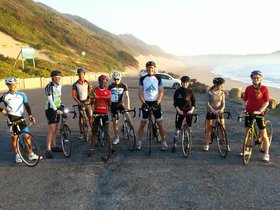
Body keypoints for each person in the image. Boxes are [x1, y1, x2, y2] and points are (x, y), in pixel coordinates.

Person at [0, 77, 39, 163]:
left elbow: (27, 105)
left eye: (15, 84)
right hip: (11, 119)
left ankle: (30, 154)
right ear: (8, 85)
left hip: (21, 118)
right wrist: (2, 110)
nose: (13, 86)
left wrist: (31, 115)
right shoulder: (5, 96)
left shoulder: (22, 94)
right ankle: (17, 155)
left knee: (27, 136)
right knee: (15, 138)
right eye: (11, 85)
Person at [137, 61, 167, 151]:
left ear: (154, 69)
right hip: (146, 102)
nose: (150, 69)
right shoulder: (142, 79)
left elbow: (161, 91)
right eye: (149, 67)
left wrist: (157, 102)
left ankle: (164, 142)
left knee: (160, 123)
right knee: (142, 124)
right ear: (146, 69)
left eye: (152, 68)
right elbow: (140, 93)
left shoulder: (158, 78)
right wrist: (143, 103)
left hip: (156, 103)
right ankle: (139, 142)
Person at [243, 70, 270, 161]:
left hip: (259, 113)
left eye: (258, 77)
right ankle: (247, 150)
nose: (256, 79)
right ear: (251, 78)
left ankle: (266, 153)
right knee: (248, 132)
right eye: (254, 77)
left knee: (263, 135)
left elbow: (266, 102)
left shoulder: (264, 89)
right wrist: (245, 108)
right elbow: (245, 100)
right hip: (249, 112)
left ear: (261, 78)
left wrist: (260, 110)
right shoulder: (248, 88)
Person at [88, 75, 112, 157]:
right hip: (96, 113)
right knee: (94, 131)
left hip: (105, 113)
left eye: (104, 82)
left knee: (107, 131)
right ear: (99, 82)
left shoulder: (108, 91)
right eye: (101, 82)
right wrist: (94, 98)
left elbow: (109, 104)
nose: (103, 83)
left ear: (106, 83)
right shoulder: (93, 90)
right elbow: (91, 103)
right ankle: (91, 149)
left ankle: (110, 147)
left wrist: (109, 99)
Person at [204, 77, 231, 151]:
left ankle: (225, 143)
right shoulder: (209, 92)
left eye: (223, 85)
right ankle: (206, 144)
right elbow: (207, 103)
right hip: (211, 112)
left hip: (219, 112)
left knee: (222, 128)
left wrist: (221, 110)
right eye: (221, 85)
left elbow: (223, 103)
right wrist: (212, 110)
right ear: (216, 84)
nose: (222, 87)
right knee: (209, 129)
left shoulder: (222, 93)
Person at [108, 71, 133, 145]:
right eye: (115, 79)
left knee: (128, 116)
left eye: (118, 79)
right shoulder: (110, 86)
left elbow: (127, 96)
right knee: (115, 123)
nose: (116, 81)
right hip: (113, 106)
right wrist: (108, 107)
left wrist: (128, 106)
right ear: (113, 79)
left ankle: (131, 129)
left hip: (120, 104)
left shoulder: (124, 86)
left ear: (120, 79)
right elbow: (108, 98)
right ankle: (117, 138)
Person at [171, 76, 195, 152]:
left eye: (186, 83)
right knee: (177, 130)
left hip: (188, 112)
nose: (185, 84)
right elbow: (175, 103)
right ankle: (175, 145)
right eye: (183, 82)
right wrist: (178, 110)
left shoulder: (191, 92)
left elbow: (194, 103)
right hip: (180, 112)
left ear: (189, 83)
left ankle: (187, 145)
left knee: (188, 129)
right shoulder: (177, 91)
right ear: (181, 83)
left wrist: (191, 110)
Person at [44, 70, 63, 159]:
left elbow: (58, 97)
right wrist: (55, 109)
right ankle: (48, 149)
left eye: (59, 77)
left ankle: (54, 145)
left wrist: (61, 105)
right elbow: (50, 99)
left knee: (55, 129)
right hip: (50, 109)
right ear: (52, 78)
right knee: (51, 129)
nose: (57, 79)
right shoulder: (49, 86)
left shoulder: (59, 86)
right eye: (55, 77)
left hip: (57, 108)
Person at [72, 68, 93, 138]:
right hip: (80, 102)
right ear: (78, 75)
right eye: (79, 74)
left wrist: (90, 99)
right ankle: (81, 131)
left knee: (90, 117)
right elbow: (73, 95)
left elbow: (91, 92)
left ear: (84, 74)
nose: (81, 75)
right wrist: (78, 102)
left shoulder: (88, 83)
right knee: (81, 117)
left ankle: (93, 130)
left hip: (87, 102)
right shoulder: (75, 84)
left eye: (82, 74)